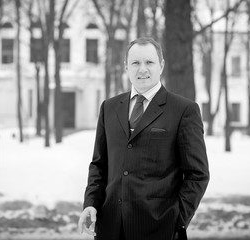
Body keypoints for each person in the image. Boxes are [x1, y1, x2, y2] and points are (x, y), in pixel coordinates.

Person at [78, 37, 210, 240]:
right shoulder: (109, 108)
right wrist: (90, 204)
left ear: (161, 65)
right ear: (126, 67)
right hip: (109, 229)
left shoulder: (184, 110)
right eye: (135, 63)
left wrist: (177, 219)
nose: (142, 69)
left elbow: (197, 174)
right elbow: (99, 165)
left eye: (149, 62)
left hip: (160, 230)